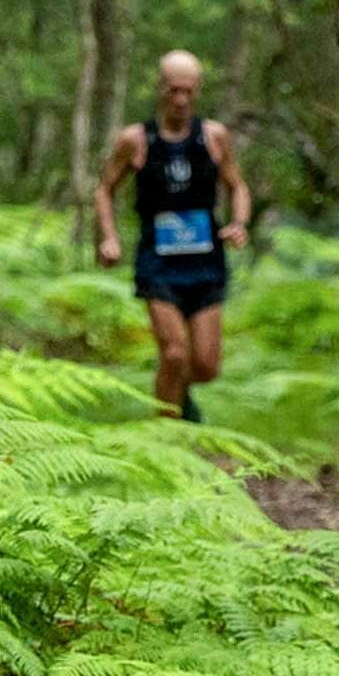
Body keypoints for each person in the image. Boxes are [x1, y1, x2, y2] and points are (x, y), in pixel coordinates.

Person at [94, 50, 251, 422]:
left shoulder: (214, 136)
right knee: (175, 353)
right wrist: (109, 237)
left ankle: (180, 395)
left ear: (197, 91)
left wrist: (239, 223)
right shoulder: (136, 140)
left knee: (206, 365)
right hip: (159, 264)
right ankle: (168, 436)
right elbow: (104, 189)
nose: (180, 100)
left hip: (205, 262)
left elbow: (237, 185)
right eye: (173, 91)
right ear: (160, 88)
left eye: (188, 91)